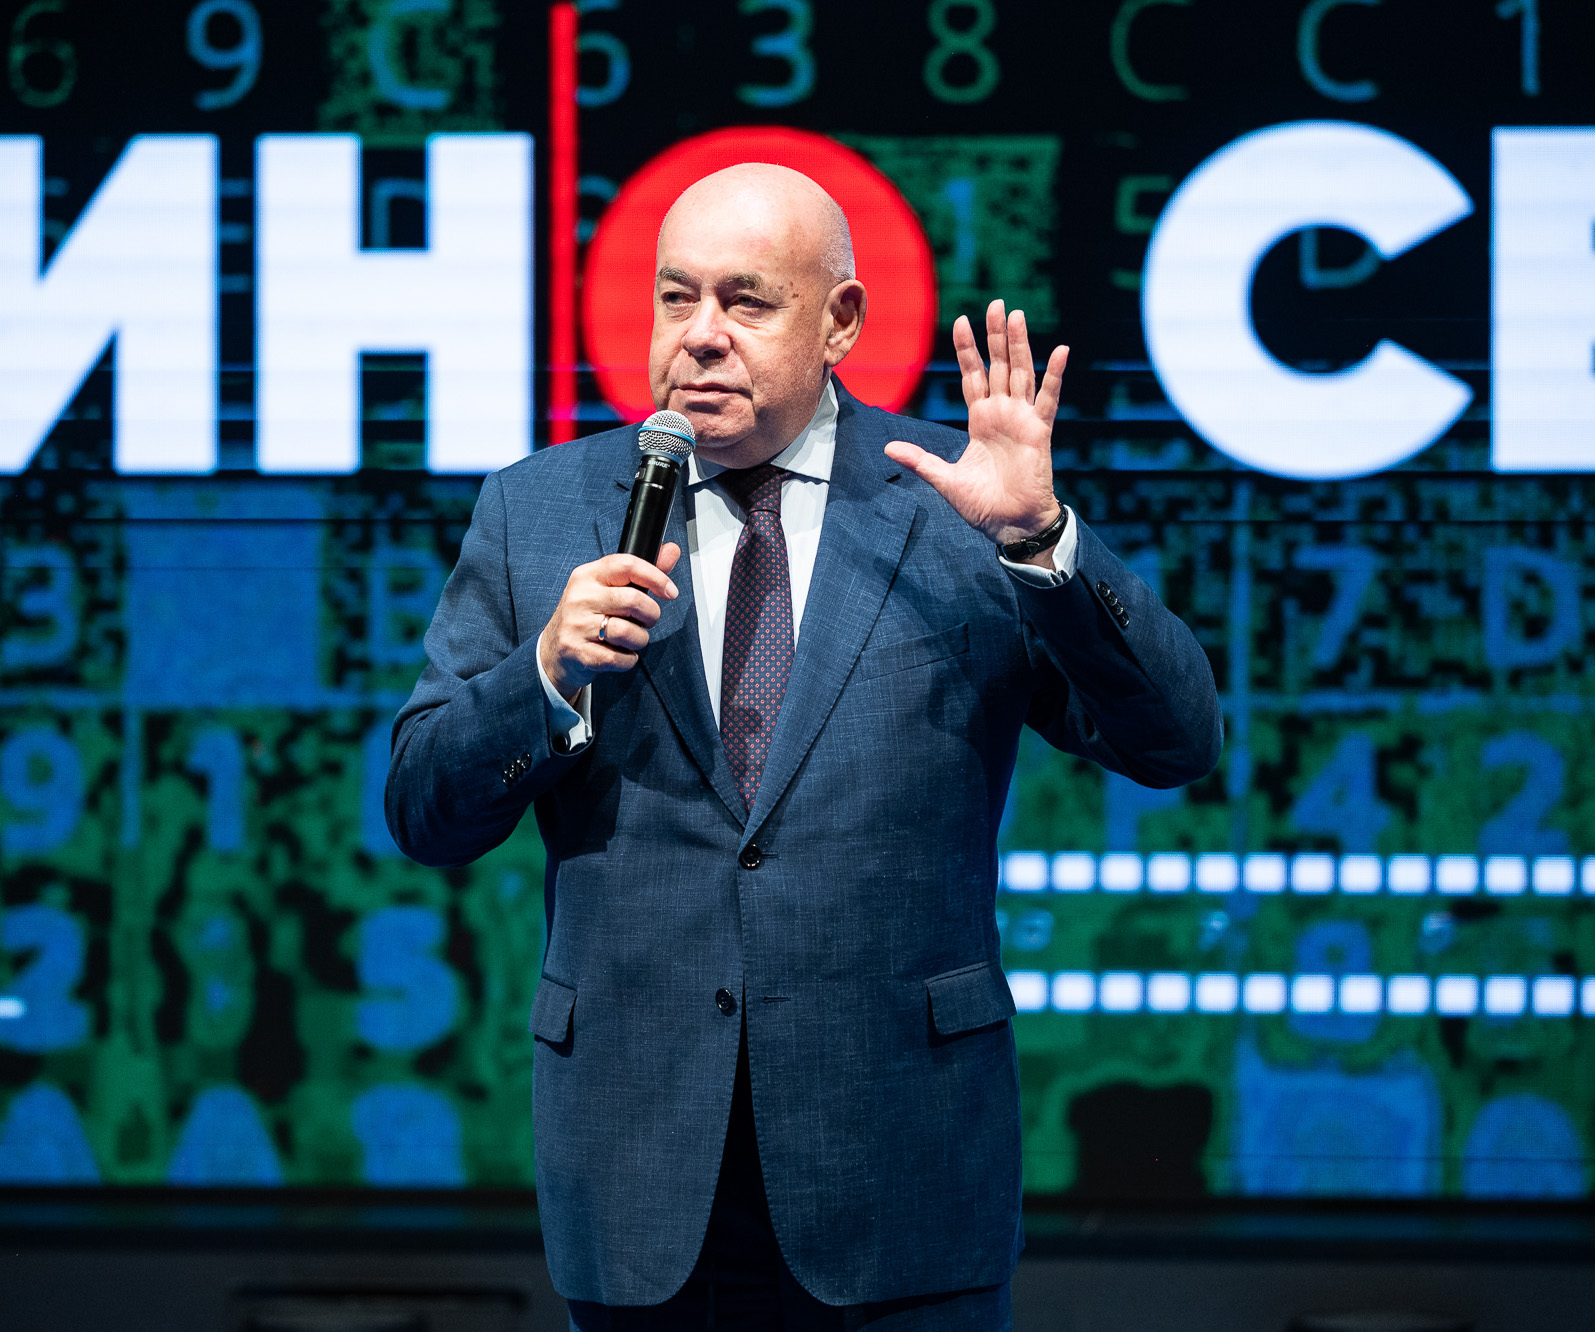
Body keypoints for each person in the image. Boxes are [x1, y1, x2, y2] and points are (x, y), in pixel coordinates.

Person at [387, 163, 1221, 1330]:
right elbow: (423, 808)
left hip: (901, 1166)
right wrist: (543, 677)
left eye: (745, 301)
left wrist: (1041, 543)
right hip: (639, 1178)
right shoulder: (540, 510)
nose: (699, 336)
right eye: (675, 298)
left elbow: (1175, 740)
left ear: (840, 322)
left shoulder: (955, 500)